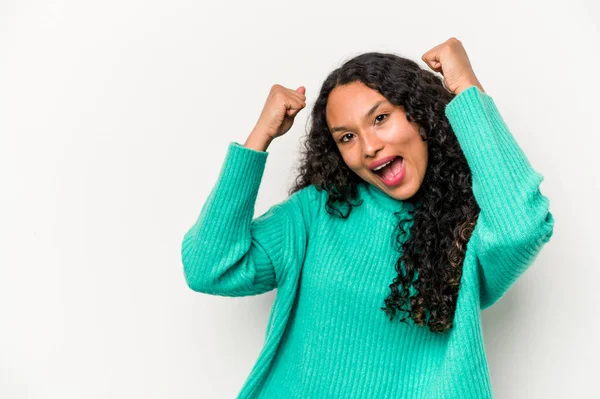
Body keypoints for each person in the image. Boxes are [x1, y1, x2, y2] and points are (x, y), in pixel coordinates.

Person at [180, 37, 555, 398]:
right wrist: (259, 137)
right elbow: (209, 267)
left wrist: (467, 88)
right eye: (346, 137)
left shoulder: (469, 226)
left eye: (380, 118)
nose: (369, 147)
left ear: (420, 115)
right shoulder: (318, 211)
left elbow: (521, 227)